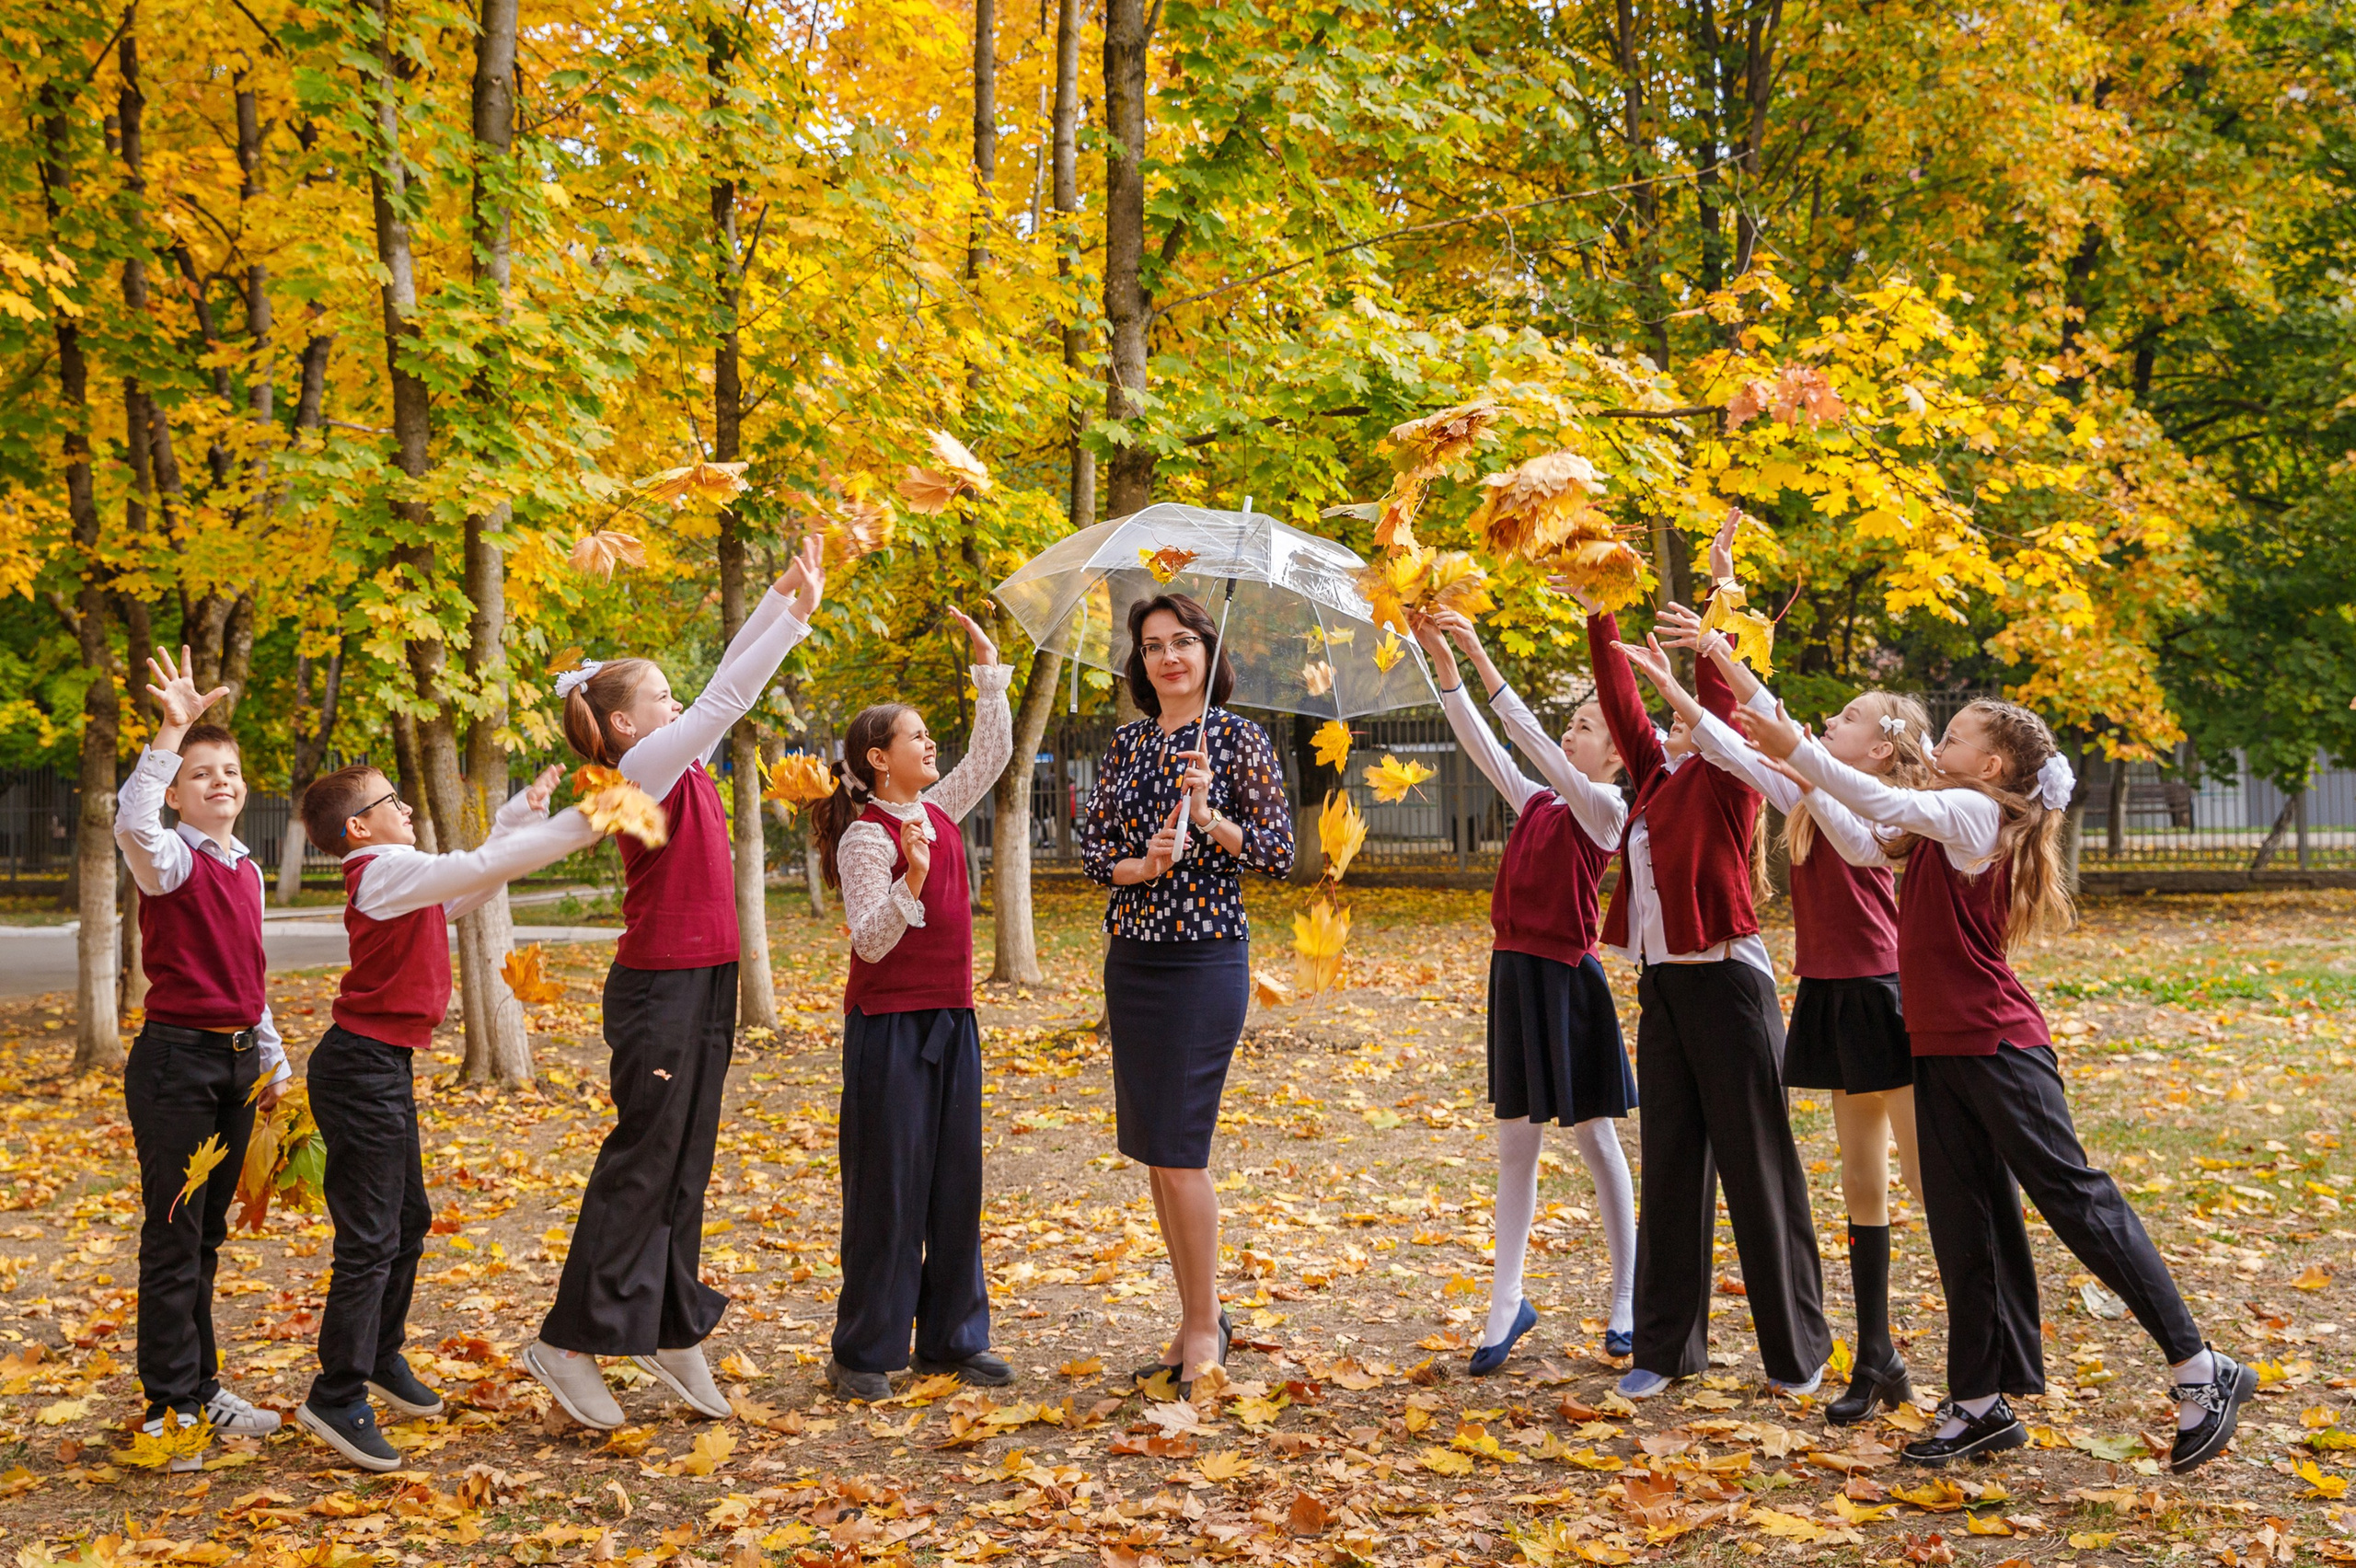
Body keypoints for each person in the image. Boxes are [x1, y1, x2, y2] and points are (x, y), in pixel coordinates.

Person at [1738, 695, 2256, 1471]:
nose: (1936, 742)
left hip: (1999, 1046)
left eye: (1953, 737)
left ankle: (2201, 1366)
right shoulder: (1941, 821)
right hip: (1939, 1048)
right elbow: (1860, 826)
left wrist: (1799, 750)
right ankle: (1979, 1402)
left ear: (1990, 765)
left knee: (2076, 1200)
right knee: (1962, 1221)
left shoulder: (1975, 814)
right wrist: (1732, 686)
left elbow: (1883, 799)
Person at [525, 537, 824, 1431]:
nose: (678, 702)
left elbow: (724, 679)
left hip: (704, 980)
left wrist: (779, 595)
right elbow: (731, 694)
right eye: (661, 696)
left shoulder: (676, 760)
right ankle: (568, 1341)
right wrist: (796, 620)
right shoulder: (641, 770)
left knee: (686, 1161)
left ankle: (668, 1321)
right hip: (659, 991)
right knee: (644, 1162)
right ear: (624, 724)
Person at [1619, 614, 1929, 1424]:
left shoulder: (1885, 812)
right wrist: (1684, 679)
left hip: (1885, 996)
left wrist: (1718, 650)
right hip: (1828, 996)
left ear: (1882, 750)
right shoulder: (1807, 794)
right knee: (1863, 1187)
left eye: (1849, 716)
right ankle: (1876, 1355)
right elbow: (1736, 743)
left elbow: (1771, 753)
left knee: (1929, 1181)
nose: (1829, 719)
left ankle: (1970, 1360)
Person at [294, 761, 604, 1470]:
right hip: (358, 1070)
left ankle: (379, 1357)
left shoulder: (399, 875)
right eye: (392, 800)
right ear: (359, 827)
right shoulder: (383, 871)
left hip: (379, 1065)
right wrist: (585, 822)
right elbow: (478, 868)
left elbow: (479, 880)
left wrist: (517, 819)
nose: (406, 808)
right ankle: (336, 1394)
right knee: (370, 1238)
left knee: (407, 1221)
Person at [1572, 575, 1830, 1401]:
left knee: (1758, 1169)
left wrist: (1721, 602)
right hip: (1665, 991)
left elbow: (1717, 703)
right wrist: (1599, 610)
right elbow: (1622, 704)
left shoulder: (1727, 775)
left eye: (1685, 713)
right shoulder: (1655, 778)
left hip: (1729, 987)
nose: (1669, 719)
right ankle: (1665, 1348)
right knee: (1673, 1168)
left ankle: (1796, 1354)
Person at [1408, 609, 1637, 1375]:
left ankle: (1628, 1297)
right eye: (1570, 723)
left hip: (1568, 982)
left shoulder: (1605, 810)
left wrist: (1479, 651)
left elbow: (1529, 742)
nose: (1569, 735)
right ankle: (1506, 1304)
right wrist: (1447, 668)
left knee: (1596, 1138)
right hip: (1513, 975)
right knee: (1516, 1144)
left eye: (1585, 727)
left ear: (1617, 753)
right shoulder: (1539, 803)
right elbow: (1484, 743)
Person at [1080, 593, 1294, 1392]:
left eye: (1181, 642)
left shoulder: (1236, 740)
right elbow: (1094, 852)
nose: (1167, 657)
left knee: (1179, 1150)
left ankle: (1207, 1326)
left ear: (1208, 650)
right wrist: (1141, 864)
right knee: (1154, 1152)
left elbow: (1277, 852)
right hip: (1133, 960)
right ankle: (1191, 1316)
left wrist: (1206, 817)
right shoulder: (1129, 744)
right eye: (1152, 646)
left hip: (1204, 960)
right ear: (1140, 662)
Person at [806, 608, 1012, 1401]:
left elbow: (991, 754)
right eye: (916, 737)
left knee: (956, 1184)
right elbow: (869, 943)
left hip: (952, 1023)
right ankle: (864, 1350)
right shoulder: (867, 838)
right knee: (888, 1191)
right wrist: (913, 881)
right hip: (888, 1033)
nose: (931, 746)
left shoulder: (940, 810)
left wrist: (988, 671)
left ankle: (953, 1341)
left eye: (929, 736)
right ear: (878, 757)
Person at [115, 650, 289, 1470]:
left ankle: (201, 1387)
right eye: (201, 773)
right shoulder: (170, 859)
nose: (221, 781)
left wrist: (271, 1062)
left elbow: (249, 977)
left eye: (230, 771)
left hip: (234, 1067)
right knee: (174, 1236)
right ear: (176, 794)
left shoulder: (246, 869)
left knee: (206, 1237)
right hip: (176, 1068)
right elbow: (132, 823)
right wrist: (171, 732)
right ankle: (167, 1409)